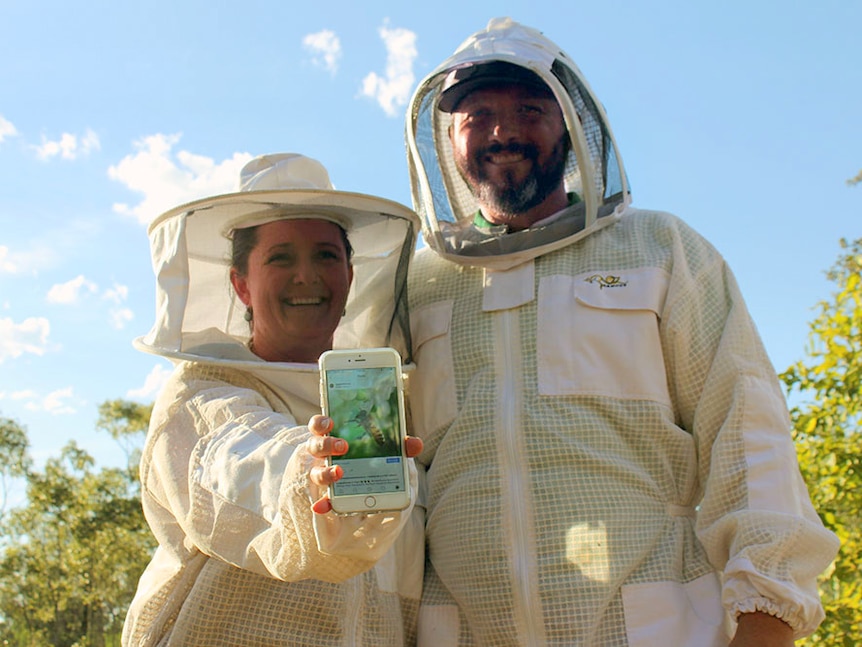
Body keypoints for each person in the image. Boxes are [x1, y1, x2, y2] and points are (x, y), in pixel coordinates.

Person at [403, 17, 839, 646]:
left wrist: (767, 617)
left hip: (661, 630)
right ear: (448, 138)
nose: (504, 131)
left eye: (530, 107)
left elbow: (747, 433)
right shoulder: (418, 286)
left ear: (572, 125)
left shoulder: (660, 248)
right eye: (478, 114)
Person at [123, 153, 424, 646]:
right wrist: (310, 475)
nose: (306, 275)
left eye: (326, 255)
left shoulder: (381, 407)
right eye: (280, 257)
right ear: (241, 284)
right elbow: (240, 460)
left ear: (350, 276)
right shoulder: (201, 392)